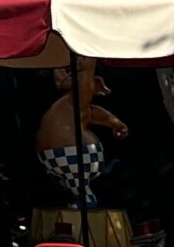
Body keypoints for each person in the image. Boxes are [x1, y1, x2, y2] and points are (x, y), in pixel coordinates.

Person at [33, 61, 125, 207]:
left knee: (75, 176)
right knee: (71, 176)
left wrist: (87, 65)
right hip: (59, 157)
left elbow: (84, 84)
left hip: (76, 154)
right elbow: (96, 114)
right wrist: (117, 125)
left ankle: (87, 199)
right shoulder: (72, 105)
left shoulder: (76, 99)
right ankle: (75, 190)